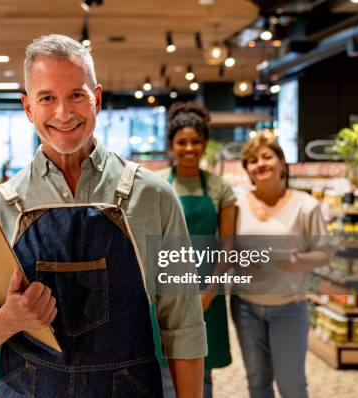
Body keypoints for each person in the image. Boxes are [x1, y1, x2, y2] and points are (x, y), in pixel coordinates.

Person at [0, 34, 207, 397]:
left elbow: (183, 322)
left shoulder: (153, 197)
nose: (64, 112)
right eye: (47, 98)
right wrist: (7, 319)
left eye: (76, 94)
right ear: (28, 109)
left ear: (97, 98)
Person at [231, 133, 328, 398]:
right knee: (258, 383)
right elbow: (227, 252)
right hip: (245, 306)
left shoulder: (306, 206)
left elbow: (324, 253)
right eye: (252, 160)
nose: (260, 164)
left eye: (266, 157)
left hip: (290, 306)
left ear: (282, 163)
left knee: (291, 385)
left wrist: (300, 261)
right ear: (247, 170)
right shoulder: (236, 205)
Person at [155, 101, 236, 398]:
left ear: (204, 144)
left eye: (196, 142)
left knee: (202, 370)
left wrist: (210, 291)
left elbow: (228, 244)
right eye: (182, 142)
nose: (189, 148)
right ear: (171, 145)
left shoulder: (220, 188)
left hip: (206, 293)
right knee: (164, 366)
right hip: (164, 290)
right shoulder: (157, 184)